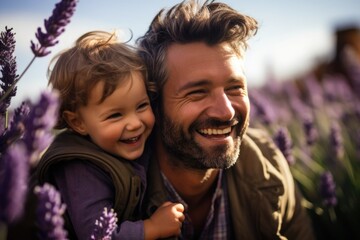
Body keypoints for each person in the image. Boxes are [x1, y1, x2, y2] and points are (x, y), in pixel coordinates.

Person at [136, 0, 316, 239]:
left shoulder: (269, 165)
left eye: (235, 89)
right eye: (197, 92)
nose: (226, 112)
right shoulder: (107, 191)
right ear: (153, 103)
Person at [36, 30, 184, 239]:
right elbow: (96, 235)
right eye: (115, 115)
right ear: (78, 123)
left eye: (142, 105)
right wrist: (151, 227)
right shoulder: (80, 169)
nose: (135, 123)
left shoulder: (117, 144)